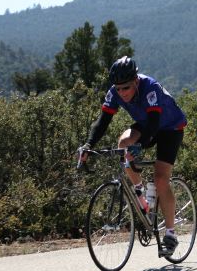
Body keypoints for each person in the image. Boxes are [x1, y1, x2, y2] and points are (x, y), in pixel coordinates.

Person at [77, 56, 187, 257]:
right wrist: (88, 145)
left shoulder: (150, 87)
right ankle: (140, 193)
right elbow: (102, 122)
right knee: (123, 144)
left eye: (126, 88)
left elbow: (154, 123)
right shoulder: (115, 92)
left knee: (161, 179)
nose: (122, 93)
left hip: (170, 128)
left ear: (136, 81)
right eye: (118, 89)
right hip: (147, 125)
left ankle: (170, 234)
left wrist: (141, 145)